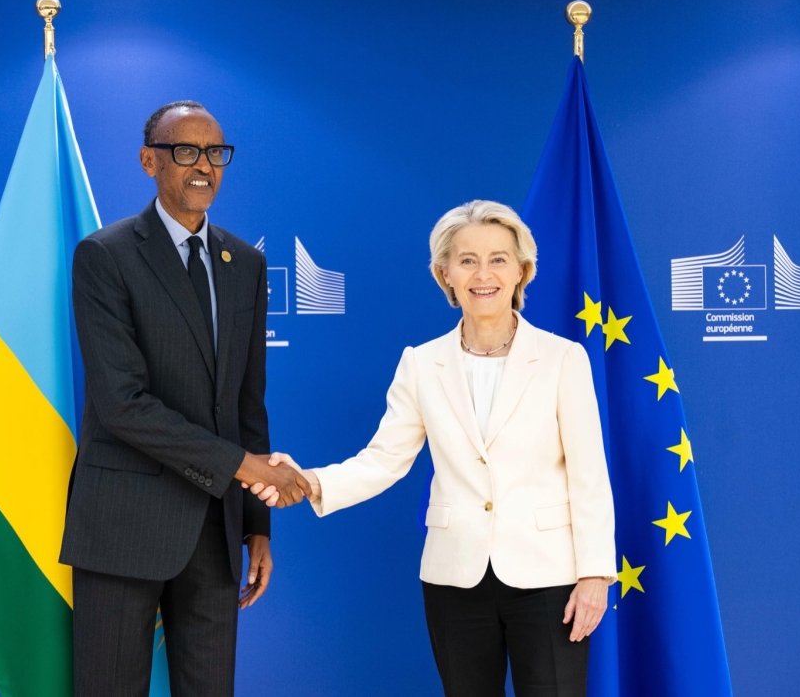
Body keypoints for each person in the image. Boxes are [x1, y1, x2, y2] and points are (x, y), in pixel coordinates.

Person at [256, 200, 617, 696]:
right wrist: (312, 481)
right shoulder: (421, 364)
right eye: (466, 259)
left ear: (522, 271)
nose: (482, 273)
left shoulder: (562, 359)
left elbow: (589, 474)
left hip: (550, 577)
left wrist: (595, 573)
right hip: (454, 579)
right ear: (444, 273)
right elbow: (385, 458)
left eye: (498, 259)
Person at [61, 100, 311, 697]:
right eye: (185, 151)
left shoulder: (245, 262)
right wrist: (241, 466)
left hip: (217, 529)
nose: (203, 165)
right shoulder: (105, 255)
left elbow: (248, 403)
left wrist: (258, 522)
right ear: (150, 161)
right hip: (123, 525)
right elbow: (122, 404)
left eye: (215, 152)